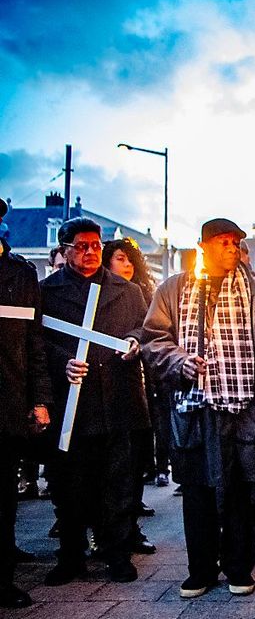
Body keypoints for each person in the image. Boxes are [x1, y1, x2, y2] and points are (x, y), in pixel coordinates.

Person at [142, 218, 255, 598]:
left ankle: (239, 567)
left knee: (243, 489)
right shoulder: (174, 288)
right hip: (195, 410)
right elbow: (153, 339)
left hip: (243, 406)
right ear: (204, 246)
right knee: (197, 489)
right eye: (223, 242)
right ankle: (201, 570)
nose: (231, 248)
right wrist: (181, 362)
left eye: (236, 242)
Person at [41, 218, 149, 586]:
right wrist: (61, 362)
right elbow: (35, 341)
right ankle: (71, 555)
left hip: (116, 402)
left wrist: (135, 342)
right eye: (81, 246)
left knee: (118, 483)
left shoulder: (126, 291)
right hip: (71, 406)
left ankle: (118, 554)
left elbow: (143, 328)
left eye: (96, 245)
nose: (90, 252)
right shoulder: (47, 292)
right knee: (69, 485)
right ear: (66, 249)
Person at [0, 198, 52, 608]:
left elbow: (33, 343)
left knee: (3, 498)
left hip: (7, 402)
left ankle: (2, 579)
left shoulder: (19, 275)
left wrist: (39, 400)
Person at [102, 239, 158, 556]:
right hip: (101, 391)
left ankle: (129, 528)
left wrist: (136, 340)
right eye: (120, 258)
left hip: (134, 390)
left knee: (133, 463)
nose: (127, 265)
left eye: (130, 260)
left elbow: (147, 331)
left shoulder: (139, 296)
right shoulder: (96, 295)